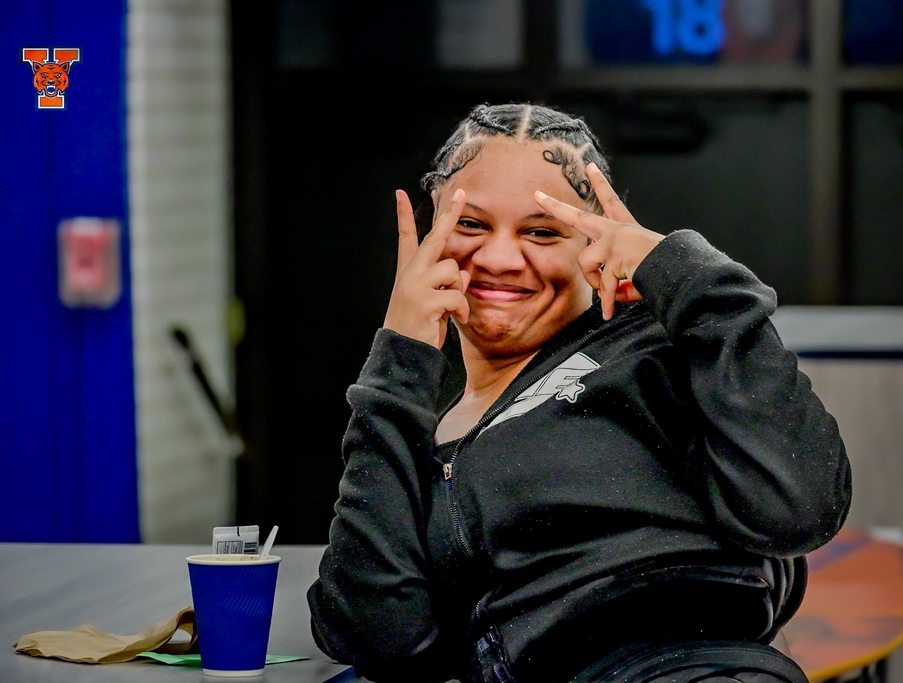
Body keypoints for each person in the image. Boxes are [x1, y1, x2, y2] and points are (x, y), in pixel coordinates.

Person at [306, 102, 852, 683]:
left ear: (594, 246)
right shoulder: (415, 430)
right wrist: (396, 366)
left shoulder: (654, 355)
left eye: (542, 232)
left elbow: (799, 510)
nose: (497, 259)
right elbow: (374, 632)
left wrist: (689, 277)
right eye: (470, 225)